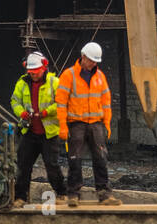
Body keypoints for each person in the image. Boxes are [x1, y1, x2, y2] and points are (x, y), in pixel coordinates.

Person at [55, 41, 120, 206]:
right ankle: (73, 194)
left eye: (95, 61)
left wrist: (106, 123)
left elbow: (106, 102)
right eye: (91, 60)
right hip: (76, 123)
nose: (93, 63)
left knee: (101, 157)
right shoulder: (68, 75)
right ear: (83, 57)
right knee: (75, 159)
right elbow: (61, 102)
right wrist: (62, 125)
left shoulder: (100, 76)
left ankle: (104, 194)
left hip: (96, 123)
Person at [10, 52, 66, 207]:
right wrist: (21, 112)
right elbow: (14, 101)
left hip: (49, 132)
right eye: (31, 72)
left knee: (52, 165)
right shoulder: (22, 83)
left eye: (36, 72)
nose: (34, 75)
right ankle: (21, 197)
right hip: (29, 132)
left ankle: (61, 193)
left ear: (44, 68)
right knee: (23, 165)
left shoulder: (54, 82)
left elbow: (62, 102)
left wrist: (46, 112)